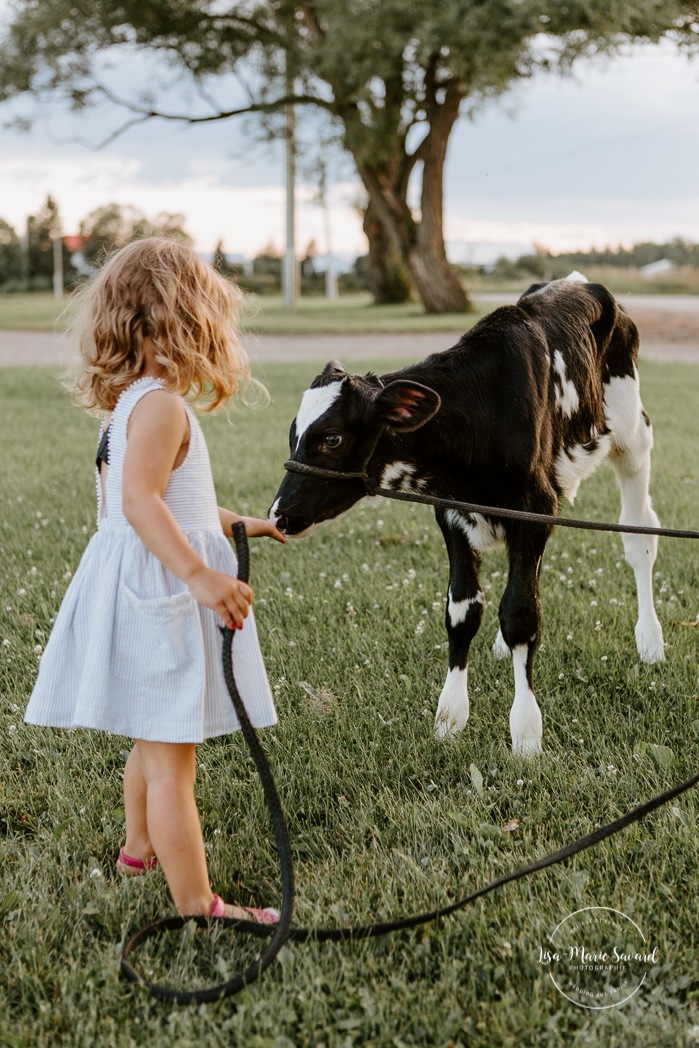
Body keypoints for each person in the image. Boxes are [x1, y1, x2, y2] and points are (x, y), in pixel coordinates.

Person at [25, 237, 285, 923]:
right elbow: (142, 504)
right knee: (173, 766)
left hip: (138, 583)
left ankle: (138, 847)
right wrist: (199, 574)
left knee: (152, 734)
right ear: (186, 320)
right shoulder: (163, 407)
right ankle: (198, 903)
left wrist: (245, 526)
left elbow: (170, 503)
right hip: (161, 591)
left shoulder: (132, 406)